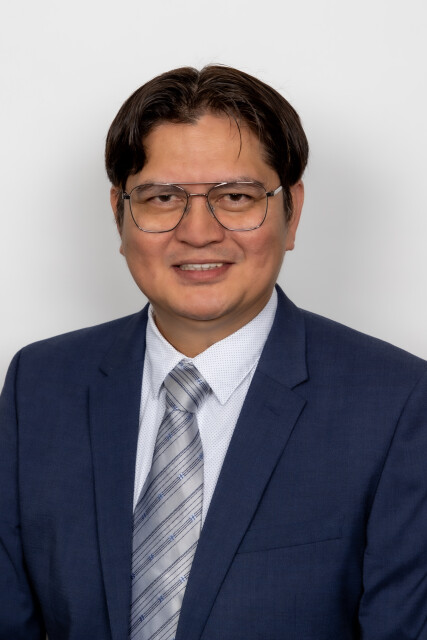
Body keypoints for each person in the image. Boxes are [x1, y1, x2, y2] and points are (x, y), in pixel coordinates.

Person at [1, 65, 427, 640]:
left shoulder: (397, 403)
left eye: (236, 197)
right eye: (162, 198)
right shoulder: (39, 384)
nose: (198, 232)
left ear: (292, 212)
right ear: (119, 213)